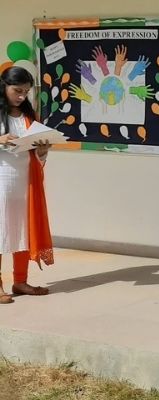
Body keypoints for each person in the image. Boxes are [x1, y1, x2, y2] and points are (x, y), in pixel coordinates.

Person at [0, 66, 54, 304]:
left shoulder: (29, 117)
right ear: (4, 87)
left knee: (22, 232)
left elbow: (37, 157)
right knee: (1, 232)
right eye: (17, 91)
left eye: (26, 92)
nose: (22, 96)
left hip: (26, 183)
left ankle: (20, 281)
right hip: (2, 182)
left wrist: (42, 150)